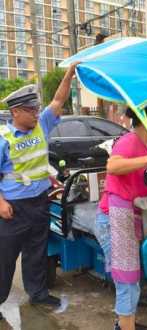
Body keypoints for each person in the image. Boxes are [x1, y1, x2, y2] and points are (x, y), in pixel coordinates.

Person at [0, 63, 78, 321]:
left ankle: (38, 293)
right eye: (31, 109)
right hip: (12, 208)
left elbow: (58, 99)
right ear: (15, 112)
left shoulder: (42, 124)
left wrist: (68, 74)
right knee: (5, 258)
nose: (36, 112)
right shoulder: (4, 139)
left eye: (36, 108)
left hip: (39, 203)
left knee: (37, 252)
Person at [98, 103, 147, 330]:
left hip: (130, 214)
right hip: (114, 216)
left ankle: (124, 323)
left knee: (131, 277)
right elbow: (113, 166)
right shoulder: (129, 141)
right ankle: (125, 326)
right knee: (127, 278)